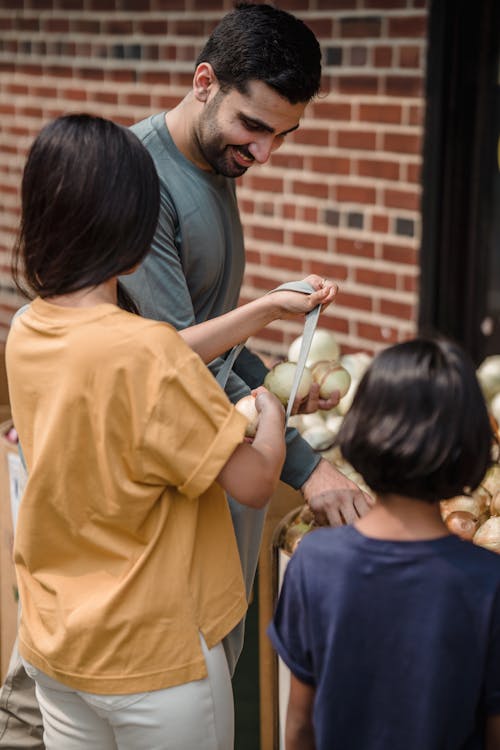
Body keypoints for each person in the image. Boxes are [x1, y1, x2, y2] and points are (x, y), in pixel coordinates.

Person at [0, 3, 373, 746]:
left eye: (283, 134)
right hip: (145, 579)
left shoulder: (207, 164)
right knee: (40, 706)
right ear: (205, 82)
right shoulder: (141, 179)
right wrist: (291, 435)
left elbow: (190, 342)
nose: (265, 152)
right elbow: (180, 355)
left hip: (100, 577)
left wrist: (262, 345)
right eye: (254, 126)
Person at [268, 336, 500, 750]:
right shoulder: (488, 582)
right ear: (472, 447)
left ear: (361, 431)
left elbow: (301, 727)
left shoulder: (314, 563)